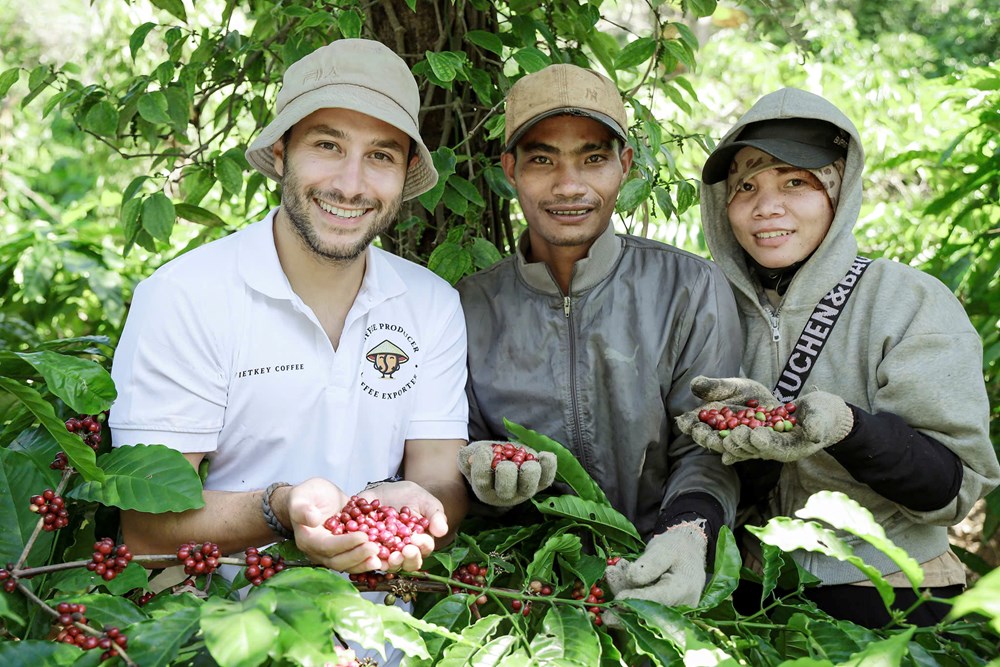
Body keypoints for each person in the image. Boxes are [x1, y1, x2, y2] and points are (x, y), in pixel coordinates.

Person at [109, 39, 469, 584]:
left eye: (380, 155)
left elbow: (440, 480)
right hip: (212, 639)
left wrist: (408, 504)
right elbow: (146, 527)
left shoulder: (431, 304)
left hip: (381, 641)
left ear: (406, 170)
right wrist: (280, 509)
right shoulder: (186, 296)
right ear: (280, 153)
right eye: (328, 145)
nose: (351, 185)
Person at [678, 86, 1000, 627]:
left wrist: (848, 429)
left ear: (838, 189)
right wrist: (752, 442)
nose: (767, 207)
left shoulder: (906, 301)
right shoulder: (707, 306)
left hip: (888, 586)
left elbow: (950, 489)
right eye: (746, 186)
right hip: (750, 590)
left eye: (796, 182)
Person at [455, 63, 744, 611]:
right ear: (510, 169)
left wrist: (687, 534)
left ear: (624, 165)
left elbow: (709, 448)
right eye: (543, 159)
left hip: (661, 575)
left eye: (593, 158)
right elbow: (452, 444)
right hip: (515, 593)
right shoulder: (467, 306)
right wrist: (480, 473)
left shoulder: (689, 287)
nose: (569, 186)